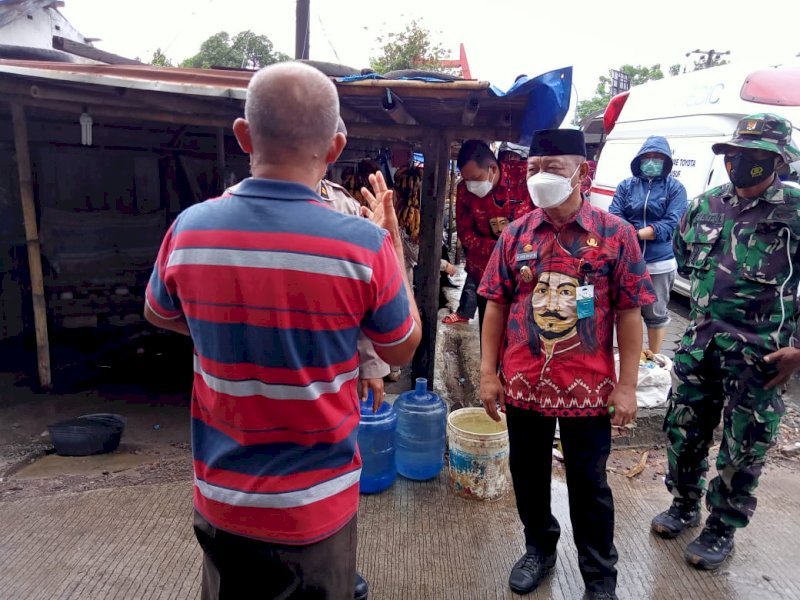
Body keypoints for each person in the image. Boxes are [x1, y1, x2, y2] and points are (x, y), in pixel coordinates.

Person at [144, 61, 421, 600]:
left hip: (222, 500)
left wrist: (225, 330)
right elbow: (402, 347)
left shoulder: (189, 229)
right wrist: (390, 243)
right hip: (315, 508)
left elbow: (158, 313)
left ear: (243, 135)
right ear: (335, 147)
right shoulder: (363, 246)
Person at [478, 129, 655, 600]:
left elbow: (630, 312)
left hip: (589, 389)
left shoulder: (615, 234)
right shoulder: (516, 233)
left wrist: (628, 386)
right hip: (523, 384)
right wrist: (488, 374)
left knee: (589, 485)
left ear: (582, 172)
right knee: (528, 475)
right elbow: (495, 303)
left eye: (553, 168)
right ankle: (539, 549)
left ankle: (599, 577)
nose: (541, 177)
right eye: (534, 168)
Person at [651, 113, 800, 571]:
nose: (740, 162)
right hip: (699, 347)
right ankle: (684, 503)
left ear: (778, 160)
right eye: (734, 154)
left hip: (760, 356)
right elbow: (684, 258)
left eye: (754, 156)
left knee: (743, 446)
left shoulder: (795, 210)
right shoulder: (705, 206)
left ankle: (722, 527)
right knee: (684, 432)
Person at [318, 119, 391, 410]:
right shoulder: (223, 218)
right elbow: (404, 344)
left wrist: (371, 365)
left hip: (331, 372)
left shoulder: (342, 205)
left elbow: (360, 296)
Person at [609, 136, 688, 354]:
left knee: (656, 314)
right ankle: (626, 355)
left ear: (667, 161)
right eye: (647, 157)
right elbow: (615, 215)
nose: (652, 161)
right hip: (627, 261)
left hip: (659, 263)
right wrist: (632, 236)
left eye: (657, 157)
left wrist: (634, 234)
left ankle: (653, 357)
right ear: (639, 159)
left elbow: (671, 223)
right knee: (625, 310)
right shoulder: (626, 186)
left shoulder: (675, 188)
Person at [443, 139, 531, 328]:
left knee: (521, 330)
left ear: (492, 168)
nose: (470, 185)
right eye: (466, 179)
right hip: (485, 272)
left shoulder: (524, 177)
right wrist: (501, 249)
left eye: (475, 178)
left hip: (525, 272)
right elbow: (466, 235)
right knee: (490, 329)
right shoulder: (464, 190)